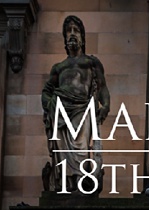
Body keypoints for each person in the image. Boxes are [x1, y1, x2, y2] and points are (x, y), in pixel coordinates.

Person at [42, 16, 110, 192]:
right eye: (68, 31)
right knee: (63, 150)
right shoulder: (59, 67)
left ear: (82, 37)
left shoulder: (90, 62)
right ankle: (67, 183)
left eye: (76, 30)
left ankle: (81, 181)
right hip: (60, 109)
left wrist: (106, 105)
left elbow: (102, 88)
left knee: (80, 145)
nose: (72, 34)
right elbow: (46, 91)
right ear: (65, 38)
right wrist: (50, 104)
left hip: (82, 109)